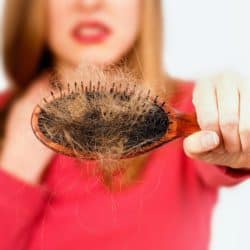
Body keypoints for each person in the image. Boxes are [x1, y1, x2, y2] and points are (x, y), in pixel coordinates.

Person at [0, 0, 250, 250]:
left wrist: (235, 126)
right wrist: (14, 170)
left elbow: (227, 153)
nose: (89, 4)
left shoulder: (195, 107)